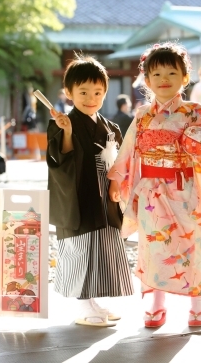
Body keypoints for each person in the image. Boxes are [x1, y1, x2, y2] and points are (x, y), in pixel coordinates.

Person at [108, 42, 201, 329]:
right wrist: (118, 177)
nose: (164, 79)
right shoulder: (143, 115)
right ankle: (156, 301)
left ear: (185, 77)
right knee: (153, 245)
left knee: (192, 243)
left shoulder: (193, 112)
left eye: (171, 73)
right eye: (156, 74)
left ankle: (198, 303)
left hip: (184, 188)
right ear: (147, 80)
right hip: (150, 190)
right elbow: (128, 149)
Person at [46, 53, 134, 327]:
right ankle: (83, 305)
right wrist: (68, 132)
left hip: (106, 199)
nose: (90, 97)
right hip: (79, 198)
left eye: (97, 91)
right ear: (69, 93)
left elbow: (122, 163)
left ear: (105, 92)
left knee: (104, 249)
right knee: (81, 250)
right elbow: (62, 160)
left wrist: (119, 187)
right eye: (82, 91)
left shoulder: (110, 127)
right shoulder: (62, 123)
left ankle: (97, 300)